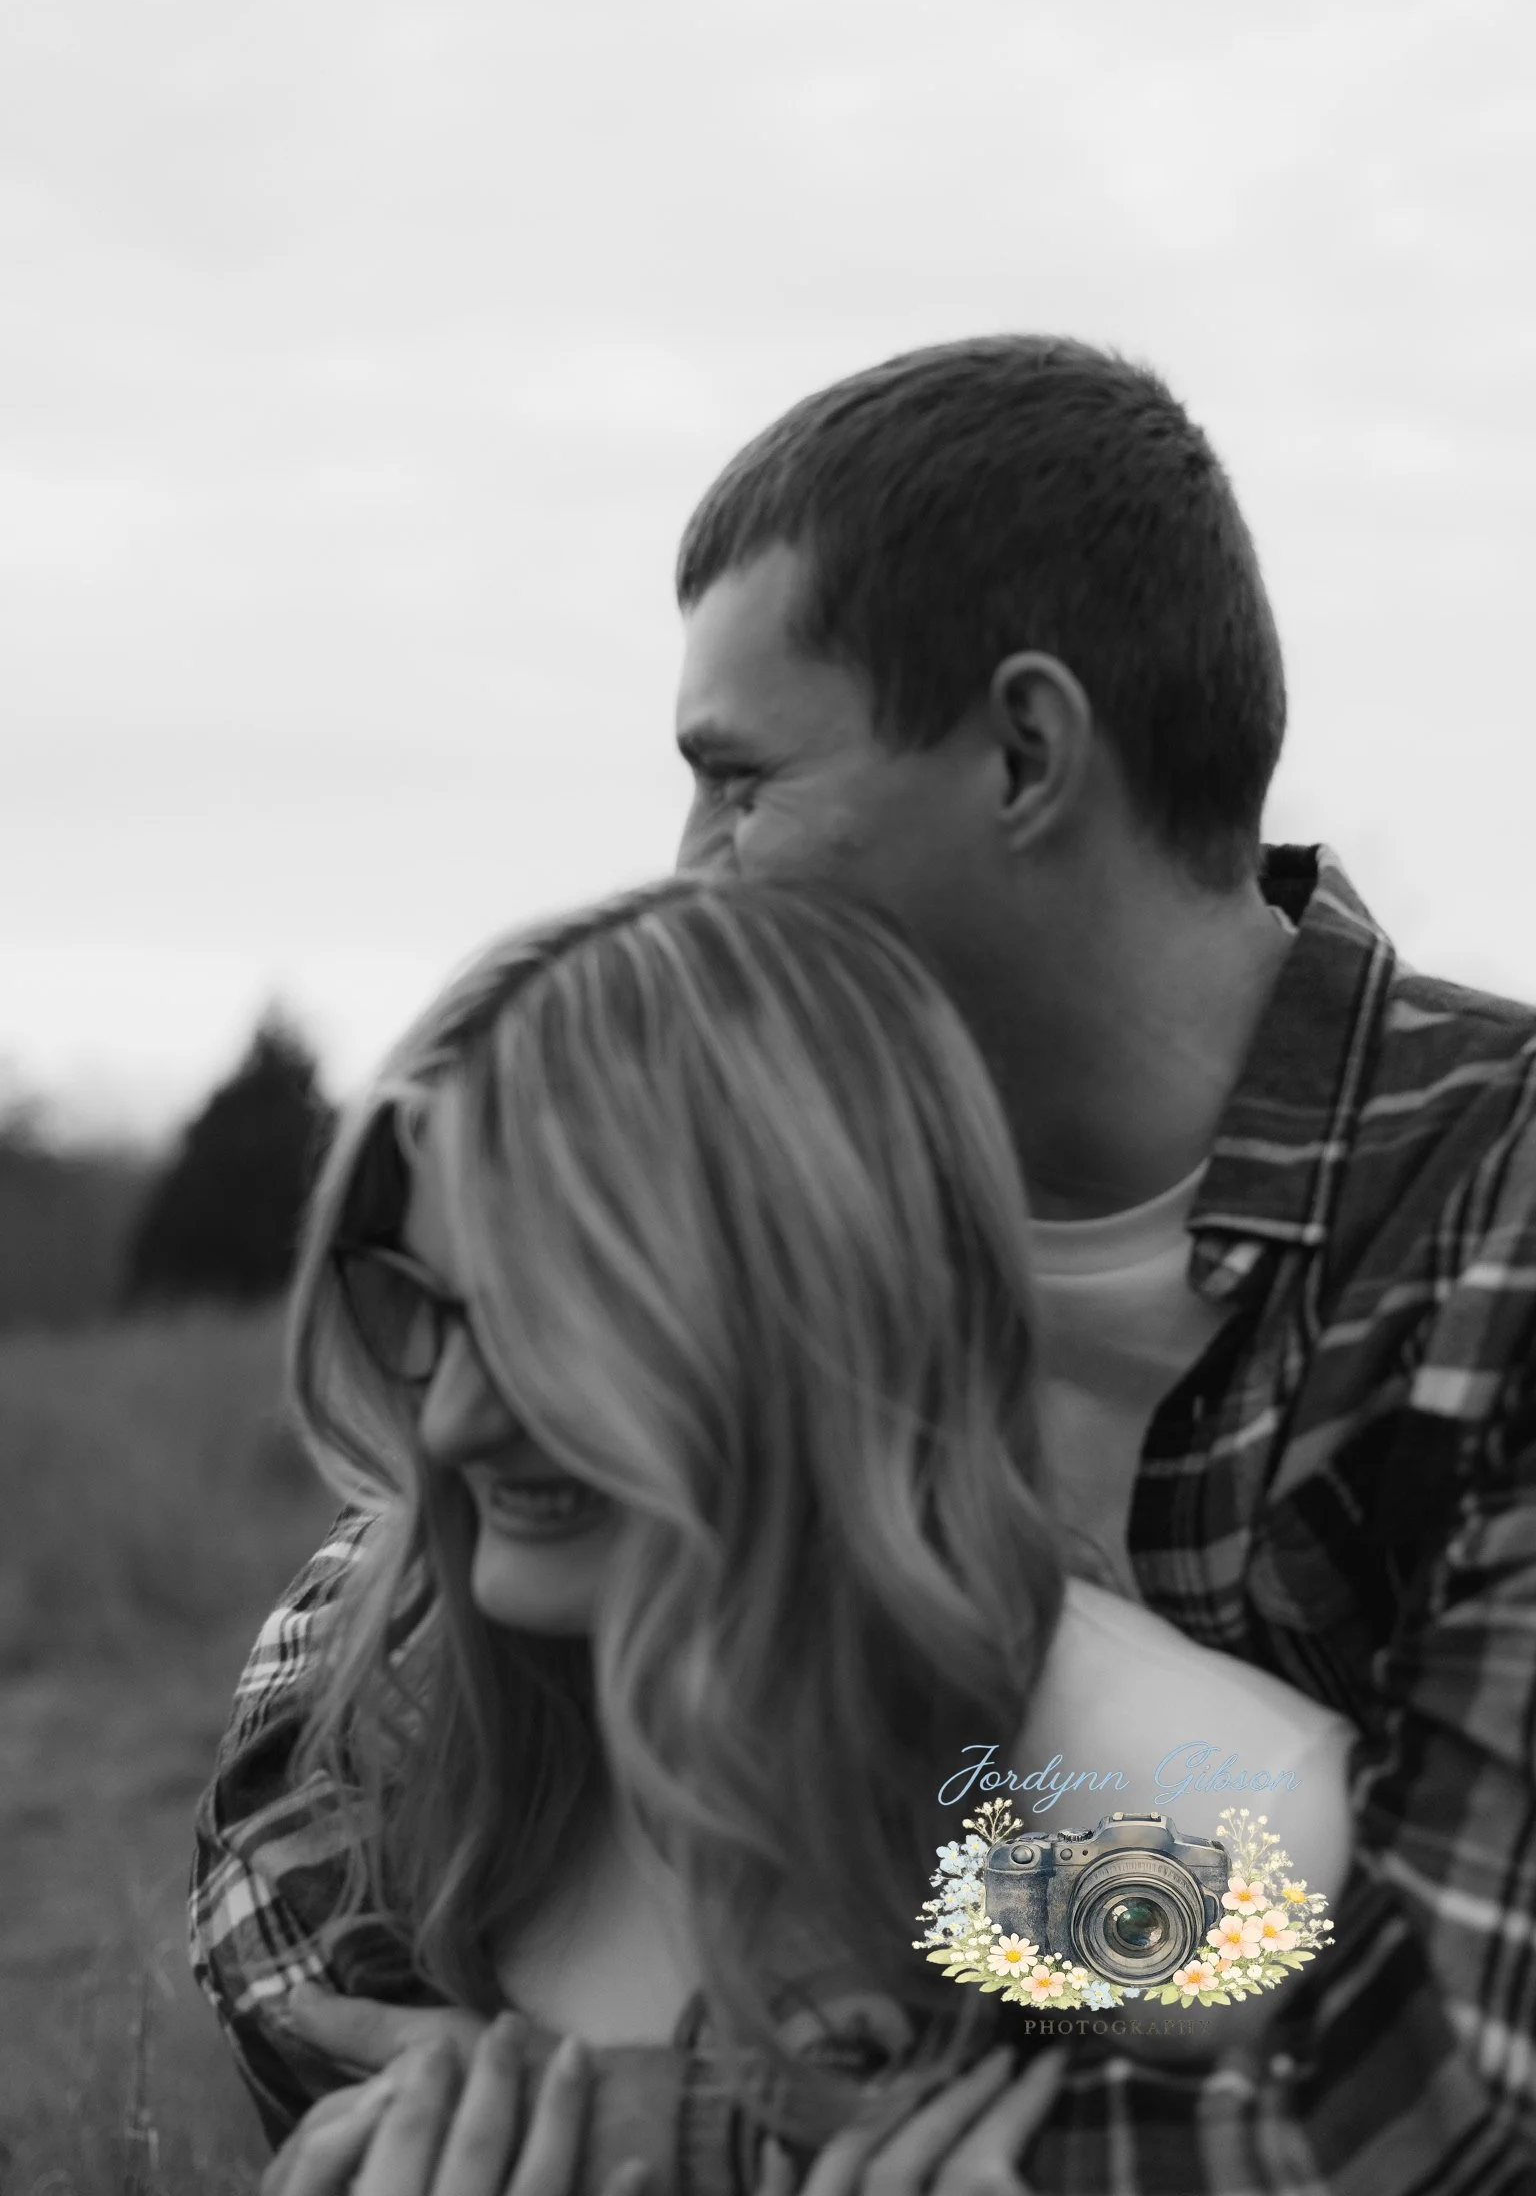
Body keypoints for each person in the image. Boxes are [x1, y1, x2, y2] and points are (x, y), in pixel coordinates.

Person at [192, 336, 1536, 2192]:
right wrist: (459, 2112)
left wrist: (699, 2136)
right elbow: (333, 1704)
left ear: (1025, 753)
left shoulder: (1494, 1218)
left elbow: (1452, 2087)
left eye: (738, 784)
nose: (687, 873)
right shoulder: (724, 1151)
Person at [199, 869, 1352, 2196]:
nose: (453, 1422)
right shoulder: (390, 1727)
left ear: (822, 1318)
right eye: (421, 1307)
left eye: (550, 1328)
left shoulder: (1156, 1835)